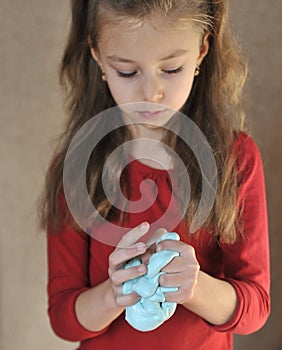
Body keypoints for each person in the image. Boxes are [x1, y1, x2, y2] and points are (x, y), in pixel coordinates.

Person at [39, 0, 270, 349]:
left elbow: (256, 308)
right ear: (98, 56)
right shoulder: (77, 167)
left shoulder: (235, 158)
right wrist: (113, 293)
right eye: (128, 72)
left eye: (172, 69)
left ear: (202, 49)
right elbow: (64, 321)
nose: (151, 94)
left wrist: (195, 286)